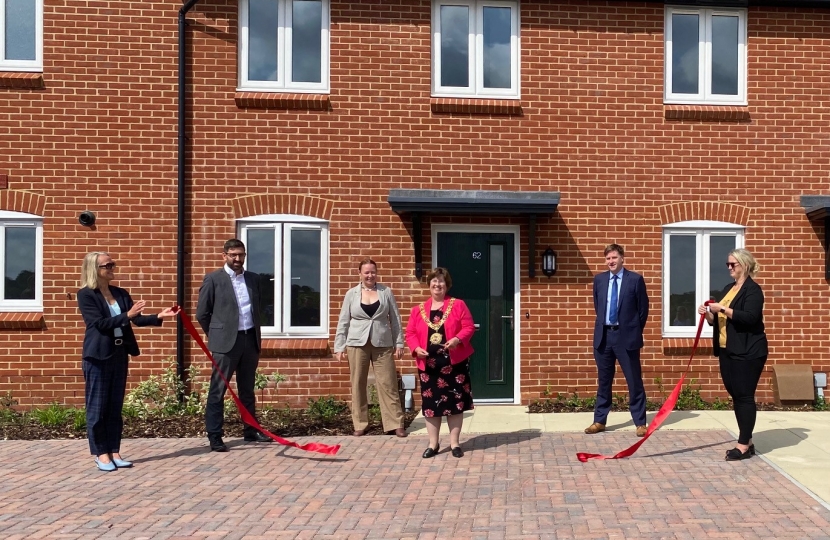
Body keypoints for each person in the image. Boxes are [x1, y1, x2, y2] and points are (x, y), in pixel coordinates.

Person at [77, 252, 177, 472]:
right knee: (97, 407)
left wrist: (159, 316)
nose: (112, 268)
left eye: (113, 264)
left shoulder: (120, 293)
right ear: (95, 269)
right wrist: (128, 315)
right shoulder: (86, 295)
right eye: (107, 265)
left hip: (119, 353)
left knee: (114, 406)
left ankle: (114, 450)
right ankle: (101, 454)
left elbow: (137, 320)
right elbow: (99, 324)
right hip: (97, 356)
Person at [197, 238, 271, 452]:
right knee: (217, 390)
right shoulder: (213, 279)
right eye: (233, 255)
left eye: (241, 255)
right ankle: (215, 435)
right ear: (225, 256)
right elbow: (202, 313)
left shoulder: (254, 279)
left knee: (247, 389)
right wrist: (217, 335)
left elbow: (256, 308)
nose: (238, 259)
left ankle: (250, 430)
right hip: (225, 344)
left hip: (250, 340)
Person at [698, 248, 768, 461]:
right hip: (728, 350)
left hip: (749, 351)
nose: (729, 268)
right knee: (736, 395)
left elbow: (749, 318)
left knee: (744, 396)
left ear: (744, 265)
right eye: (727, 264)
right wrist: (709, 314)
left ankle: (743, 445)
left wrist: (722, 309)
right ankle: (748, 440)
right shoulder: (730, 288)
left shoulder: (753, 290)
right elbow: (720, 320)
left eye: (733, 264)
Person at [405, 267, 475, 458]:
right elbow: (410, 334)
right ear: (429, 285)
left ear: (447, 285)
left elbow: (469, 326)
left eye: (441, 282)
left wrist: (457, 339)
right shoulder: (417, 310)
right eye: (434, 282)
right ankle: (433, 444)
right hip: (429, 366)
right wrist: (415, 348)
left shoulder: (458, 304)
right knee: (431, 405)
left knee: (455, 404)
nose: (438, 285)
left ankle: (454, 444)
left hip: (455, 364)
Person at [334, 258, 407, 438]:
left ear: (376, 273)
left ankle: (395, 423)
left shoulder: (386, 292)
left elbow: (395, 319)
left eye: (373, 272)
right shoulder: (351, 294)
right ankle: (360, 424)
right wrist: (339, 346)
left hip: (382, 342)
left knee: (388, 383)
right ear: (360, 273)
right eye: (366, 272)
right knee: (358, 383)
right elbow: (343, 321)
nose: (370, 275)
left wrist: (399, 343)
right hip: (356, 343)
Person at [585, 244, 650, 437]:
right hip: (604, 337)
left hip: (626, 338)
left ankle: (640, 422)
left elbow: (643, 311)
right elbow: (599, 306)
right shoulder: (599, 280)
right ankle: (599, 421)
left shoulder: (635, 280)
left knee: (634, 381)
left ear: (622, 258)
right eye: (608, 259)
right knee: (604, 381)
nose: (611, 262)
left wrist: (632, 331)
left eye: (614, 257)